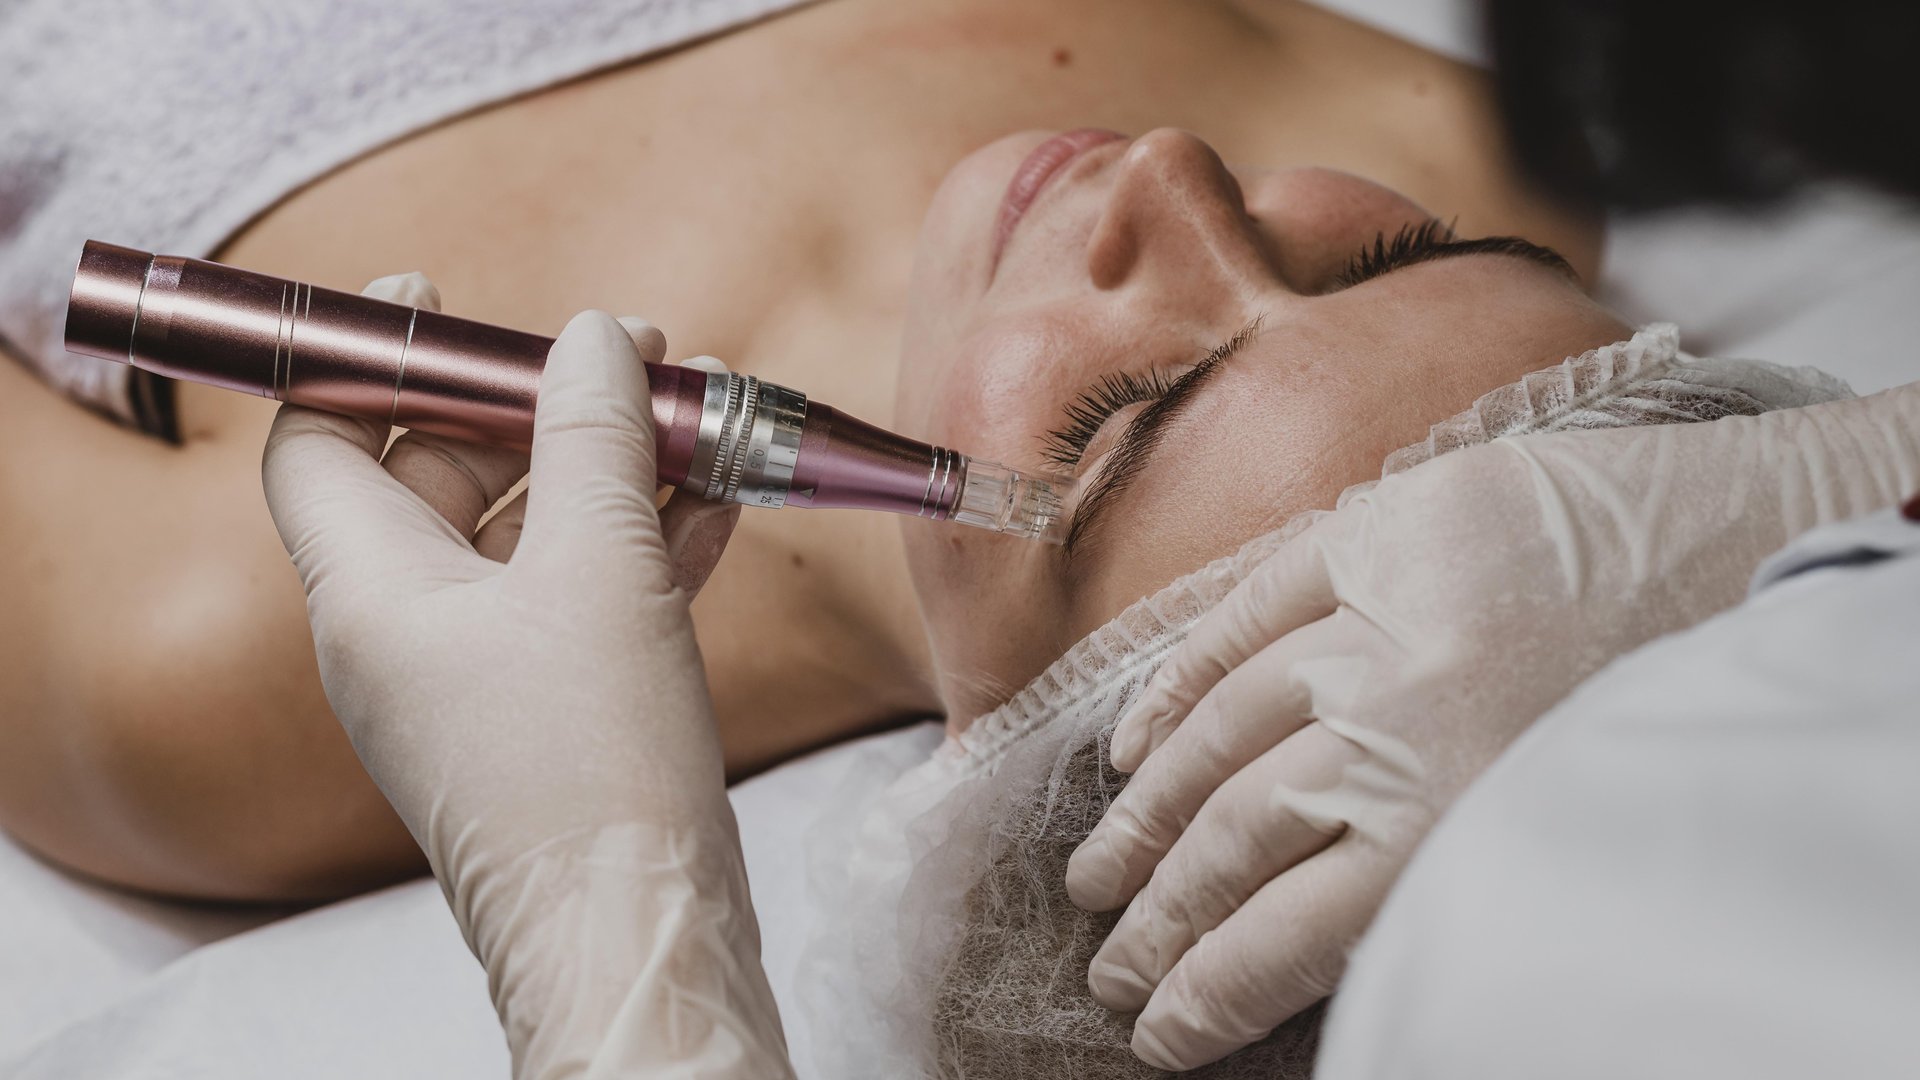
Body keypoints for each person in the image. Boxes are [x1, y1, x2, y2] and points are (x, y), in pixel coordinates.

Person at [0, 0, 1602, 900]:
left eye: (1126, 416)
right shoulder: (1498, 158)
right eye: (1392, 261)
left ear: (1007, 753)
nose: (1174, 177)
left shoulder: (244, 659)